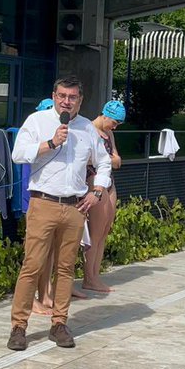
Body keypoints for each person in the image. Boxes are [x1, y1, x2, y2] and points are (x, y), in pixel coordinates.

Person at [8, 76, 112, 351]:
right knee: (32, 266)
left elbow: (103, 163)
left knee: (66, 269)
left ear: (80, 100)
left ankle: (59, 323)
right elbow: (18, 154)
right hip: (43, 202)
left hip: (76, 206)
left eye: (73, 97)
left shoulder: (88, 128)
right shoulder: (37, 121)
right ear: (54, 96)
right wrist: (51, 143)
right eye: (62, 96)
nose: (67, 101)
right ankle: (19, 326)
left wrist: (97, 192)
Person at [82, 100, 124, 293]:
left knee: (105, 229)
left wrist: (106, 159)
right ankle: (89, 277)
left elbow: (117, 161)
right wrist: (108, 159)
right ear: (104, 115)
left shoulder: (109, 134)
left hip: (108, 181)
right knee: (96, 231)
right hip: (94, 180)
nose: (114, 127)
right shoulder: (88, 130)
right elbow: (92, 159)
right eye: (114, 122)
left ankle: (95, 274)